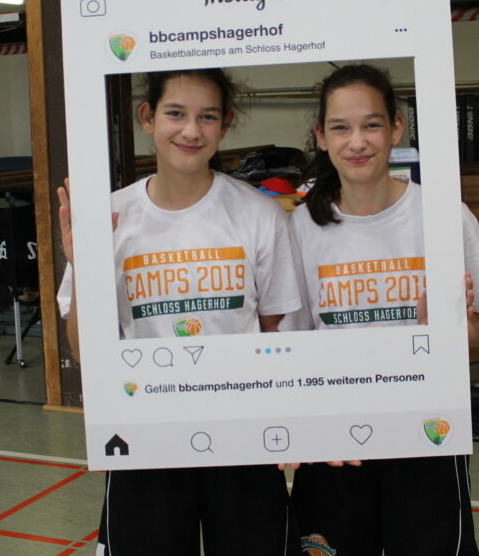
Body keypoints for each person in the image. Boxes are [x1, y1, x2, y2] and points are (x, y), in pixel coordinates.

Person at [56, 68, 301, 555]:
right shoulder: (111, 217)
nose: (191, 131)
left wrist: (287, 426)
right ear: (148, 117)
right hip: (145, 434)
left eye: (207, 117)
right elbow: (86, 352)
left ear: (225, 124)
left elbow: (276, 332)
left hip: (242, 435)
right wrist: (86, 266)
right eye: (175, 113)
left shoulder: (259, 214)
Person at [281, 64, 479, 556]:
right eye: (341, 127)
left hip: (427, 430)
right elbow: (291, 343)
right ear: (321, 136)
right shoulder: (301, 228)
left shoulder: (446, 216)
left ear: (396, 128)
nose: (357, 142)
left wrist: (452, 331)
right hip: (335, 440)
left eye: (372, 125)